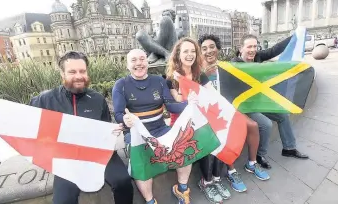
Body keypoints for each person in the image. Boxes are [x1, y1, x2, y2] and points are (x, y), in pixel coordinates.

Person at [165, 37, 269, 203]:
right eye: (186, 51)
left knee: (219, 133)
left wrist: (229, 111)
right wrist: (183, 86)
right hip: (184, 123)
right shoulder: (172, 77)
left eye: (193, 51)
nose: (190, 54)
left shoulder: (200, 74)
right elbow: (177, 100)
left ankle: (216, 179)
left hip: (203, 117)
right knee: (207, 139)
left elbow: (213, 96)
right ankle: (206, 182)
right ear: (178, 54)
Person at [29, 51, 133, 204]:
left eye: (82, 71)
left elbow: (106, 128)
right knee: (62, 200)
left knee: (123, 181)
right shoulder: (46, 99)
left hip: (99, 152)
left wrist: (114, 130)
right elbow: (25, 120)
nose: (78, 76)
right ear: (62, 73)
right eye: (72, 72)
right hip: (66, 157)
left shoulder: (97, 99)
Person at [112, 49, 194, 204]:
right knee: (141, 164)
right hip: (136, 134)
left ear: (147, 62)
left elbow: (171, 106)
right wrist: (125, 118)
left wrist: (188, 104)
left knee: (184, 145)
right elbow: (117, 114)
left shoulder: (158, 81)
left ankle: (182, 189)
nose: (139, 63)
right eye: (134, 60)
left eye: (142, 59)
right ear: (127, 65)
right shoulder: (121, 85)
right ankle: (150, 201)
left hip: (160, 129)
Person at [231, 34, 309, 169]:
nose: (252, 50)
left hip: (261, 102)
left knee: (283, 115)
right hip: (247, 106)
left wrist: (295, 36)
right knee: (266, 124)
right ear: (241, 48)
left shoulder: (258, 57)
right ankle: (260, 155)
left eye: (255, 46)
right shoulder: (233, 65)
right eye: (249, 46)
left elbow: (275, 50)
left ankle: (289, 148)